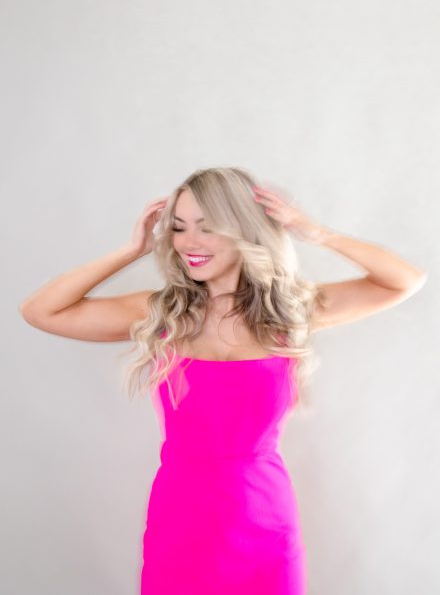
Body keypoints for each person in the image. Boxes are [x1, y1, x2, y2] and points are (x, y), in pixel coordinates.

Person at [19, 166, 427, 594]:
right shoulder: (161, 314)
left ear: (244, 230)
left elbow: (404, 281)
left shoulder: (290, 313)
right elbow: (40, 311)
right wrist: (129, 252)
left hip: (264, 519)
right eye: (178, 227)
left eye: (207, 227)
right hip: (181, 517)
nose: (188, 242)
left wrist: (317, 233)